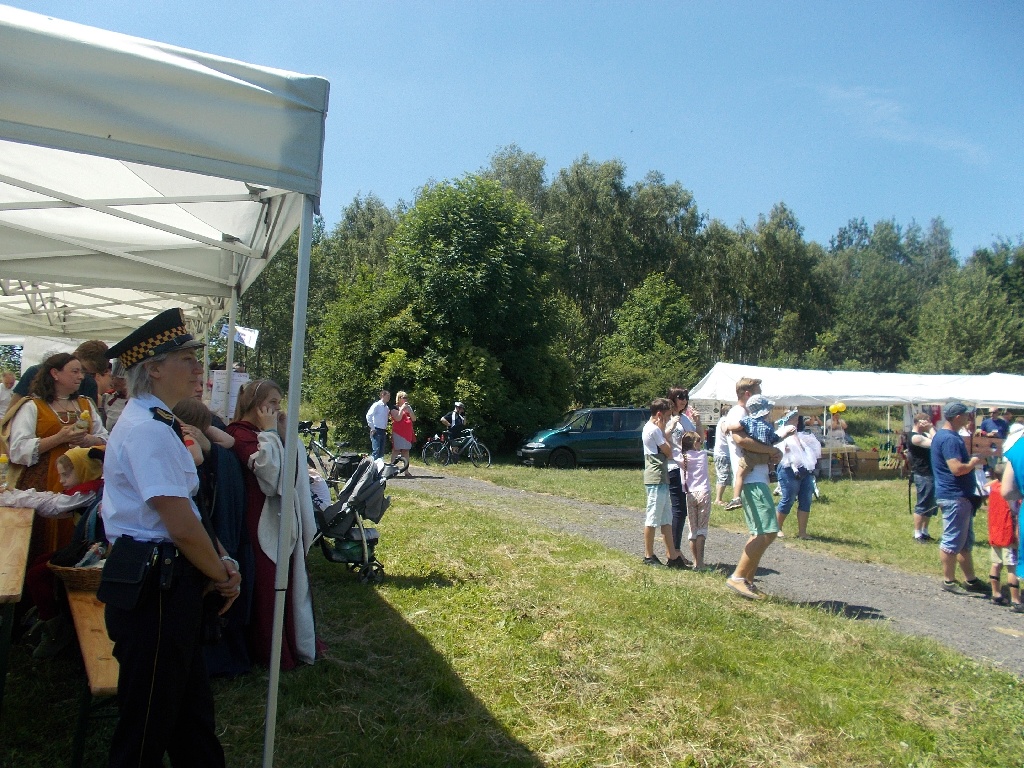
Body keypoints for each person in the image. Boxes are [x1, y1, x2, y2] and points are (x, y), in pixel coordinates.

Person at [99, 307, 239, 767]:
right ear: (154, 368)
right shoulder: (149, 430)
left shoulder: (158, 421)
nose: (198, 368)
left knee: (188, 717)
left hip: (162, 581)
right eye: (186, 359)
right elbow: (177, 523)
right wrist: (221, 573)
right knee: (147, 725)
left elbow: (187, 511)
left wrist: (222, 562)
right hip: (154, 588)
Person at [226, 379, 325, 670]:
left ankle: (292, 642)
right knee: (269, 586)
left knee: (286, 581)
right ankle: (272, 651)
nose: (277, 409)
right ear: (256, 404)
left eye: (278, 403)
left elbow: (291, 469)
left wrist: (282, 434)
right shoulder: (240, 434)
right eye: (272, 402)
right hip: (260, 520)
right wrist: (270, 434)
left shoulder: (260, 432)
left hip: (279, 517)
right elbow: (271, 478)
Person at [1, 353, 108, 561]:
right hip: (44, 481)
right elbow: (18, 450)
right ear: (55, 374)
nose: (80, 376)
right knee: (43, 536)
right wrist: (58, 438)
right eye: (74, 371)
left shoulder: (85, 404)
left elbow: (105, 438)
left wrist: (88, 440)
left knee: (76, 534)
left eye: (81, 372)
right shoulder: (32, 406)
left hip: (82, 482)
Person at [21, 446, 105, 659]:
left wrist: (12, 497)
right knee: (41, 561)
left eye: (67, 475)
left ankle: (56, 630)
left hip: (93, 553)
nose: (62, 481)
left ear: (84, 470)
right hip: (85, 547)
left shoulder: (87, 492)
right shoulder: (90, 489)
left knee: (38, 575)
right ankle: (45, 615)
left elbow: (54, 507)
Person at [720, 391, 783, 600]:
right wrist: (770, 450)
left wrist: (773, 452)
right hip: (752, 480)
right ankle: (738, 578)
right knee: (767, 531)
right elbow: (742, 441)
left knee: (763, 532)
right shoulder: (740, 416)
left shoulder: (749, 419)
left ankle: (747, 580)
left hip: (758, 479)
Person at [931, 402, 989, 595]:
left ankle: (970, 579)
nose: (968, 418)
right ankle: (948, 580)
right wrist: (973, 462)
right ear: (957, 417)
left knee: (964, 542)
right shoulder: (950, 439)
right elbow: (956, 469)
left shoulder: (945, 435)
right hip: (955, 495)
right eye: (966, 415)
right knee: (952, 540)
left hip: (958, 495)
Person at [641, 398, 688, 569]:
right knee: (652, 517)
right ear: (659, 415)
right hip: (656, 478)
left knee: (666, 519)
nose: (669, 420)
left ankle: (673, 556)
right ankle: (648, 555)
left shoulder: (653, 429)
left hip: (662, 478)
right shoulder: (654, 429)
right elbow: (669, 452)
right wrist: (663, 430)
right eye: (667, 416)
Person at [724, 394, 794, 492]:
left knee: (740, 475)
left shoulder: (747, 420)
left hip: (751, 456)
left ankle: (736, 497)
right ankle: (772, 471)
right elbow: (775, 439)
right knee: (771, 459)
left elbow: (737, 427)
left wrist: (727, 427)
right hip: (765, 456)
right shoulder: (768, 426)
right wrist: (786, 434)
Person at [714, 378, 761, 510]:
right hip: (749, 475)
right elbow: (740, 440)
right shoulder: (738, 412)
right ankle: (734, 498)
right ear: (748, 394)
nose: (760, 397)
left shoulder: (745, 412)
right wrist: (769, 450)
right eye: (758, 394)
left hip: (752, 474)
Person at [774, 411, 822, 540]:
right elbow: (776, 448)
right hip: (788, 469)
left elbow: (811, 448)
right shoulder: (781, 432)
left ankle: (802, 532)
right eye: (793, 419)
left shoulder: (801, 434)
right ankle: (777, 528)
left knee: (806, 499)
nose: (795, 421)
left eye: (796, 419)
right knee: (788, 499)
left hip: (805, 470)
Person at [666, 388, 697, 565]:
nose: (684, 400)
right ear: (672, 398)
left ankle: (675, 550)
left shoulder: (685, 419)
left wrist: (698, 422)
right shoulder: (667, 418)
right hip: (673, 467)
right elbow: (662, 441)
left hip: (688, 468)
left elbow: (698, 440)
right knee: (679, 510)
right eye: (680, 397)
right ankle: (674, 552)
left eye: (686, 397)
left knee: (683, 510)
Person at [985, 473, 1022, 610]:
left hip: (995, 532)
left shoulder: (993, 488)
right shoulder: (1011, 493)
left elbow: (985, 485)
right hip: (1008, 534)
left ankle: (996, 594)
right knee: (1012, 567)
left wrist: (997, 478)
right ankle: (1016, 600)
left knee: (996, 563)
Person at [677, 430, 712, 570]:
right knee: (702, 530)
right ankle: (700, 564)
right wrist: (697, 422)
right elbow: (701, 438)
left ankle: (695, 561)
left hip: (690, 494)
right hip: (704, 493)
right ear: (696, 443)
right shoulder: (702, 455)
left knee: (693, 530)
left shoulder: (682, 457)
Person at [908, 412, 937, 542]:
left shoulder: (923, 435)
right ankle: (917, 533)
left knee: (930, 504)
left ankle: (925, 531)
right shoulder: (915, 437)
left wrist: (930, 428)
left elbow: (937, 439)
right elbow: (937, 443)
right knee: (923, 503)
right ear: (920, 422)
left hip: (930, 473)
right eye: (927, 421)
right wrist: (930, 428)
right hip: (923, 473)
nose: (930, 423)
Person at [390, 390, 416, 476]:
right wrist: (401, 409)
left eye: (406, 397)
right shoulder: (394, 408)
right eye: (404, 397)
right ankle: (391, 470)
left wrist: (410, 411)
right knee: (396, 450)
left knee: (406, 451)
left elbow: (414, 419)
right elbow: (398, 418)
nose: (406, 399)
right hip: (398, 432)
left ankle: (406, 471)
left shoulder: (408, 407)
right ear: (399, 398)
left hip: (407, 433)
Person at [103, 360, 130, 431]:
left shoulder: (142, 401)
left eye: (121, 379)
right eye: (113, 377)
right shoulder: (107, 397)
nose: (114, 381)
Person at [365, 389, 391, 460]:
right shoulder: (377, 405)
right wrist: (372, 428)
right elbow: (368, 415)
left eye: (389, 396)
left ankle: (379, 465)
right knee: (376, 450)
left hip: (383, 430)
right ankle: (372, 465)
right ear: (382, 395)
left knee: (381, 451)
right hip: (376, 429)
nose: (388, 398)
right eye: (387, 396)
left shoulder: (386, 408)